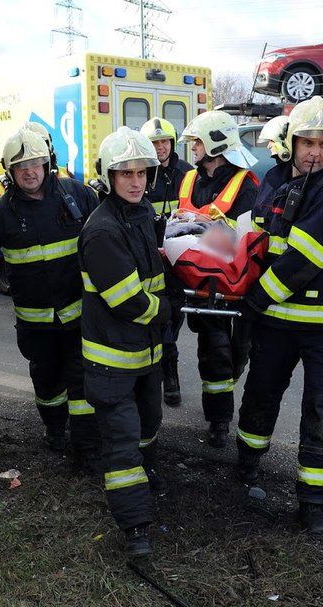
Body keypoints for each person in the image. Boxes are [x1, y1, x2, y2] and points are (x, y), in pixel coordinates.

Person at [234, 96, 323, 535]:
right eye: (307, 141)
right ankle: (247, 465)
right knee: (260, 393)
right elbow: (256, 237)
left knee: (322, 411)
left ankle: (314, 503)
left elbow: (302, 260)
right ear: (291, 142)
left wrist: (254, 299)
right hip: (276, 322)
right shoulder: (272, 178)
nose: (314, 151)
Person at [0, 129, 100, 462]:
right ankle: (56, 433)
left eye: (35, 163)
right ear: (11, 173)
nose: (30, 171)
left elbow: (109, 235)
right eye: (21, 166)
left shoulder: (77, 196)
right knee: (47, 386)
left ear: (47, 163)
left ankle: (87, 450)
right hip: (36, 327)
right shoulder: (1, 213)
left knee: (82, 385)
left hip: (79, 319)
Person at [79, 126, 170, 558]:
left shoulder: (141, 213)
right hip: (112, 362)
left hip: (145, 357)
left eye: (142, 172)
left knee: (148, 427)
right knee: (121, 441)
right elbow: (128, 300)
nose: (136, 181)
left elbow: (152, 276)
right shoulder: (102, 230)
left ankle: (145, 474)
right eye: (126, 174)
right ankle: (136, 529)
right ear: (108, 177)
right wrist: (171, 308)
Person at [177, 110, 260, 448]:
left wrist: (206, 232)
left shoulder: (246, 184)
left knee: (238, 352)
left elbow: (249, 235)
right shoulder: (188, 180)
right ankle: (219, 420)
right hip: (201, 283)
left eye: (196, 141)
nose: (192, 147)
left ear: (215, 143)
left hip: (239, 283)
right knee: (214, 351)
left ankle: (228, 387)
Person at [140, 117, 193, 407]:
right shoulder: (142, 173)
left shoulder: (187, 174)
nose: (160, 147)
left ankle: (164, 370)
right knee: (163, 324)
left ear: (172, 143)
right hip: (150, 261)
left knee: (173, 319)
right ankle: (169, 378)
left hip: (179, 262)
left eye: (164, 142)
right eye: (154, 143)